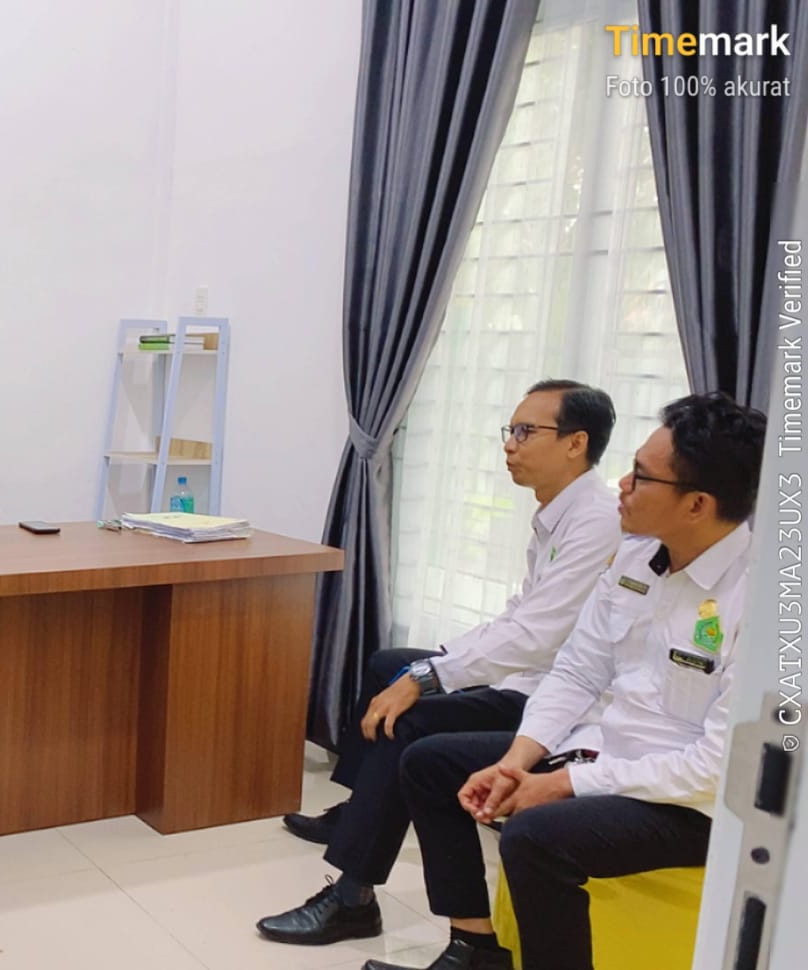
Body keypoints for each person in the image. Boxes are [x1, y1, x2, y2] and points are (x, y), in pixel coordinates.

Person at [372, 391, 766, 970]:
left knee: (535, 837)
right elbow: (578, 670)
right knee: (430, 764)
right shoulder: (635, 560)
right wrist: (518, 761)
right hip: (607, 753)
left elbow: (715, 768)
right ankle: (476, 950)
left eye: (641, 477)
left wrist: (565, 784)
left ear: (697, 504)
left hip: (692, 801)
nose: (622, 486)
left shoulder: (762, 604)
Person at [259, 380, 621, 947]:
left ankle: (353, 895)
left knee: (410, 719)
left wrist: (431, 676)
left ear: (576, 443)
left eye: (526, 432)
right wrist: (438, 662)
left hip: (551, 699)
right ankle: (361, 808)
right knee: (390, 664)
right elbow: (520, 614)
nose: (510, 444)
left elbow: (536, 636)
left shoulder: (598, 520)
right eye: (510, 430)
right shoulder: (557, 513)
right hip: (528, 675)